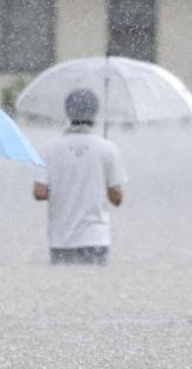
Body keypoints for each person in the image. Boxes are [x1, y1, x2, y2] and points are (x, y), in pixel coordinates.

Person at [33, 90, 126, 265]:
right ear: (95, 115)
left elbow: (39, 192)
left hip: (60, 239)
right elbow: (117, 198)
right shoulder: (108, 149)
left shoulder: (49, 149)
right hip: (96, 239)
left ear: (67, 112)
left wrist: (65, 185)